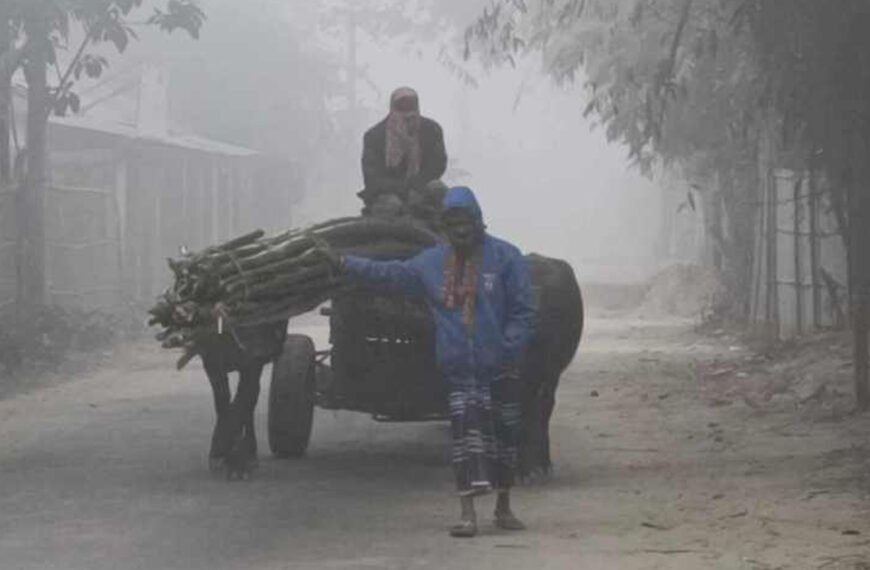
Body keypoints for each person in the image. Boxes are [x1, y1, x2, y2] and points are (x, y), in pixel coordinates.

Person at [322, 186, 536, 538]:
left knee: (505, 440)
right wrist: (345, 264)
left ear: (478, 220)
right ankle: (468, 515)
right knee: (466, 443)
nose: (460, 229)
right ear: (445, 226)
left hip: (500, 367)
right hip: (460, 371)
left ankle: (503, 507)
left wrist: (507, 348)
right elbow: (389, 275)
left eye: (465, 221)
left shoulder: (506, 258)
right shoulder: (431, 263)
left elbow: (524, 311)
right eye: (453, 223)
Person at [358, 87, 448, 217]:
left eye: (411, 107)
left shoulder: (432, 130)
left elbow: (438, 165)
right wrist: (403, 190)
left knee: (438, 189)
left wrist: (418, 186)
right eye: (402, 107)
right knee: (391, 206)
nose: (407, 115)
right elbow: (373, 177)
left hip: (423, 187)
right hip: (386, 192)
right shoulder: (374, 136)